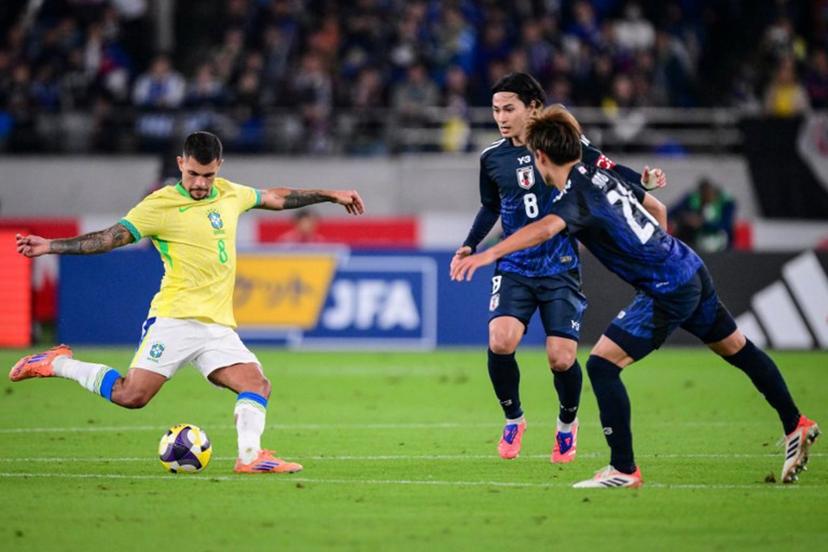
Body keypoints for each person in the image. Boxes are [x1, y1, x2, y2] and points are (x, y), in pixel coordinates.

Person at [451, 106, 819, 488]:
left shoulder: (573, 197)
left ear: (540, 157)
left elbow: (544, 229)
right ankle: (795, 423)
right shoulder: (596, 174)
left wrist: (489, 253)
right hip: (689, 267)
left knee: (602, 366)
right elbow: (655, 206)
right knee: (737, 349)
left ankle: (623, 470)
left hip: (667, 288)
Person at [11, 131, 365, 474]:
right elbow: (109, 238)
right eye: (193, 173)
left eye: (208, 175)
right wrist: (51, 245)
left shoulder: (229, 193)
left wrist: (331, 194)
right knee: (131, 396)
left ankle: (250, 457)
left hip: (217, 326)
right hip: (175, 319)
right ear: (181, 164)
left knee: (256, 385)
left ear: (219, 168)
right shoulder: (160, 205)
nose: (200, 183)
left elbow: (277, 197)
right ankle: (57, 363)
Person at [452, 73, 665, 464]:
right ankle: (514, 417)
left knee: (561, 359)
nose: (501, 117)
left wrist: (642, 183)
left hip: (560, 264)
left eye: (509, 109)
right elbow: (492, 206)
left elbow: (604, 166)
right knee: (501, 340)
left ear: (533, 108)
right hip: (514, 262)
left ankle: (567, 424)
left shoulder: (557, 141)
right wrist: (470, 244)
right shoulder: (491, 157)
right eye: (496, 110)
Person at [668, 177, 736, 252]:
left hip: (720, 241)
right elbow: (672, 212)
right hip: (696, 241)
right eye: (703, 196)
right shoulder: (692, 199)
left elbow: (726, 225)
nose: (707, 198)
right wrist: (680, 219)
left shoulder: (725, 203)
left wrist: (702, 223)